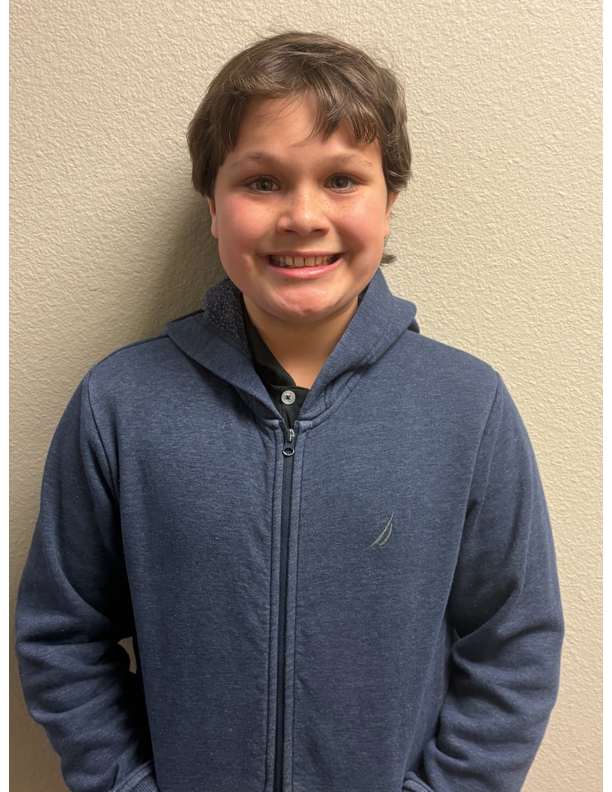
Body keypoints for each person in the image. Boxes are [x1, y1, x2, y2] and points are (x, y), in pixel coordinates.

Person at [15, 31, 564, 792]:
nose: (303, 215)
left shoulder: (466, 406)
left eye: (341, 180)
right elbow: (61, 638)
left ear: (389, 203)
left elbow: (516, 641)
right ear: (213, 206)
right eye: (263, 182)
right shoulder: (120, 404)